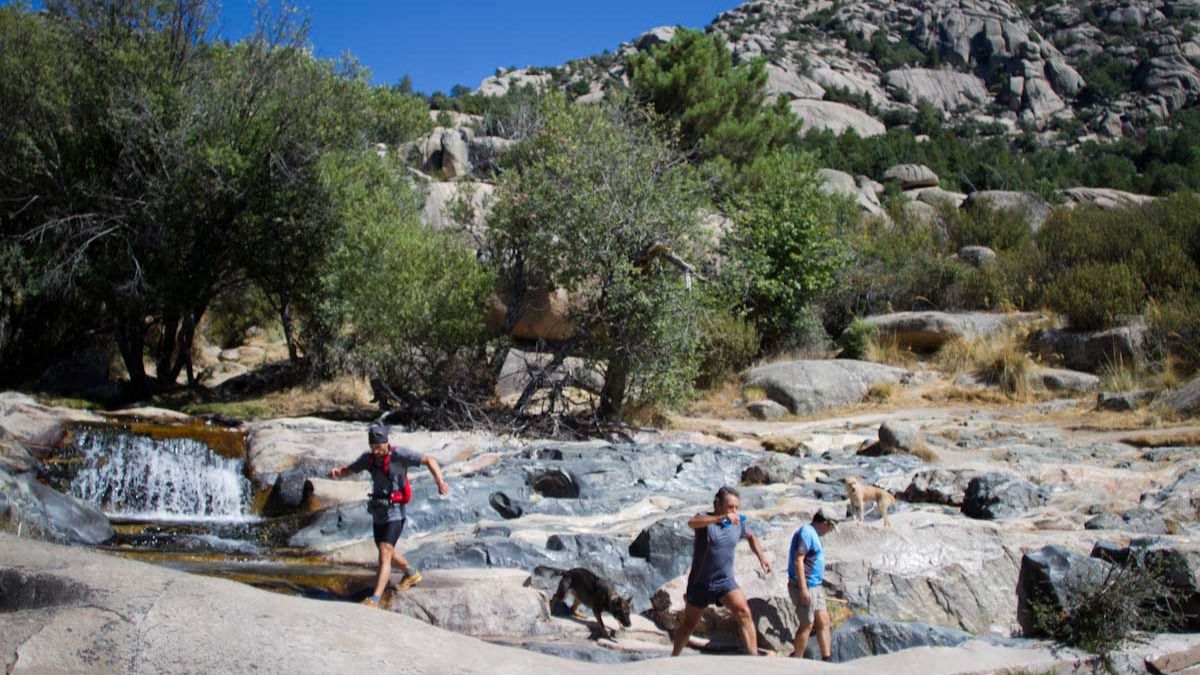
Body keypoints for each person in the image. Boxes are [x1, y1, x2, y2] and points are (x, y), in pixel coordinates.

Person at [327, 423, 450, 608]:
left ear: (386, 442)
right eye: (373, 447)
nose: (376, 451)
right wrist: (339, 473)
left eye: (379, 447)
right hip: (378, 513)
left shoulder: (400, 455)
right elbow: (351, 470)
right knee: (387, 551)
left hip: (396, 513)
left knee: (385, 552)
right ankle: (411, 573)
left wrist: (439, 481)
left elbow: (429, 460)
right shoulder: (368, 459)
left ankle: (374, 599)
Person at [671, 486, 772, 657]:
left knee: (744, 612)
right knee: (689, 624)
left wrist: (761, 558)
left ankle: (754, 658)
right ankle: (674, 657)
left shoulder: (738, 522)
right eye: (730, 507)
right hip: (700, 583)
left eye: (736, 507)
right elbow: (691, 523)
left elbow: (751, 536)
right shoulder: (706, 519)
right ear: (718, 504)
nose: (734, 511)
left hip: (724, 581)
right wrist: (720, 518)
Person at [789, 507, 838, 661]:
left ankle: (827, 659)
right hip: (806, 586)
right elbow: (799, 560)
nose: (830, 531)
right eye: (830, 527)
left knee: (823, 620)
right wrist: (803, 589)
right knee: (807, 624)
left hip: (816, 586)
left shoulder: (814, 534)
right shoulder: (806, 532)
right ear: (824, 522)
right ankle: (798, 660)